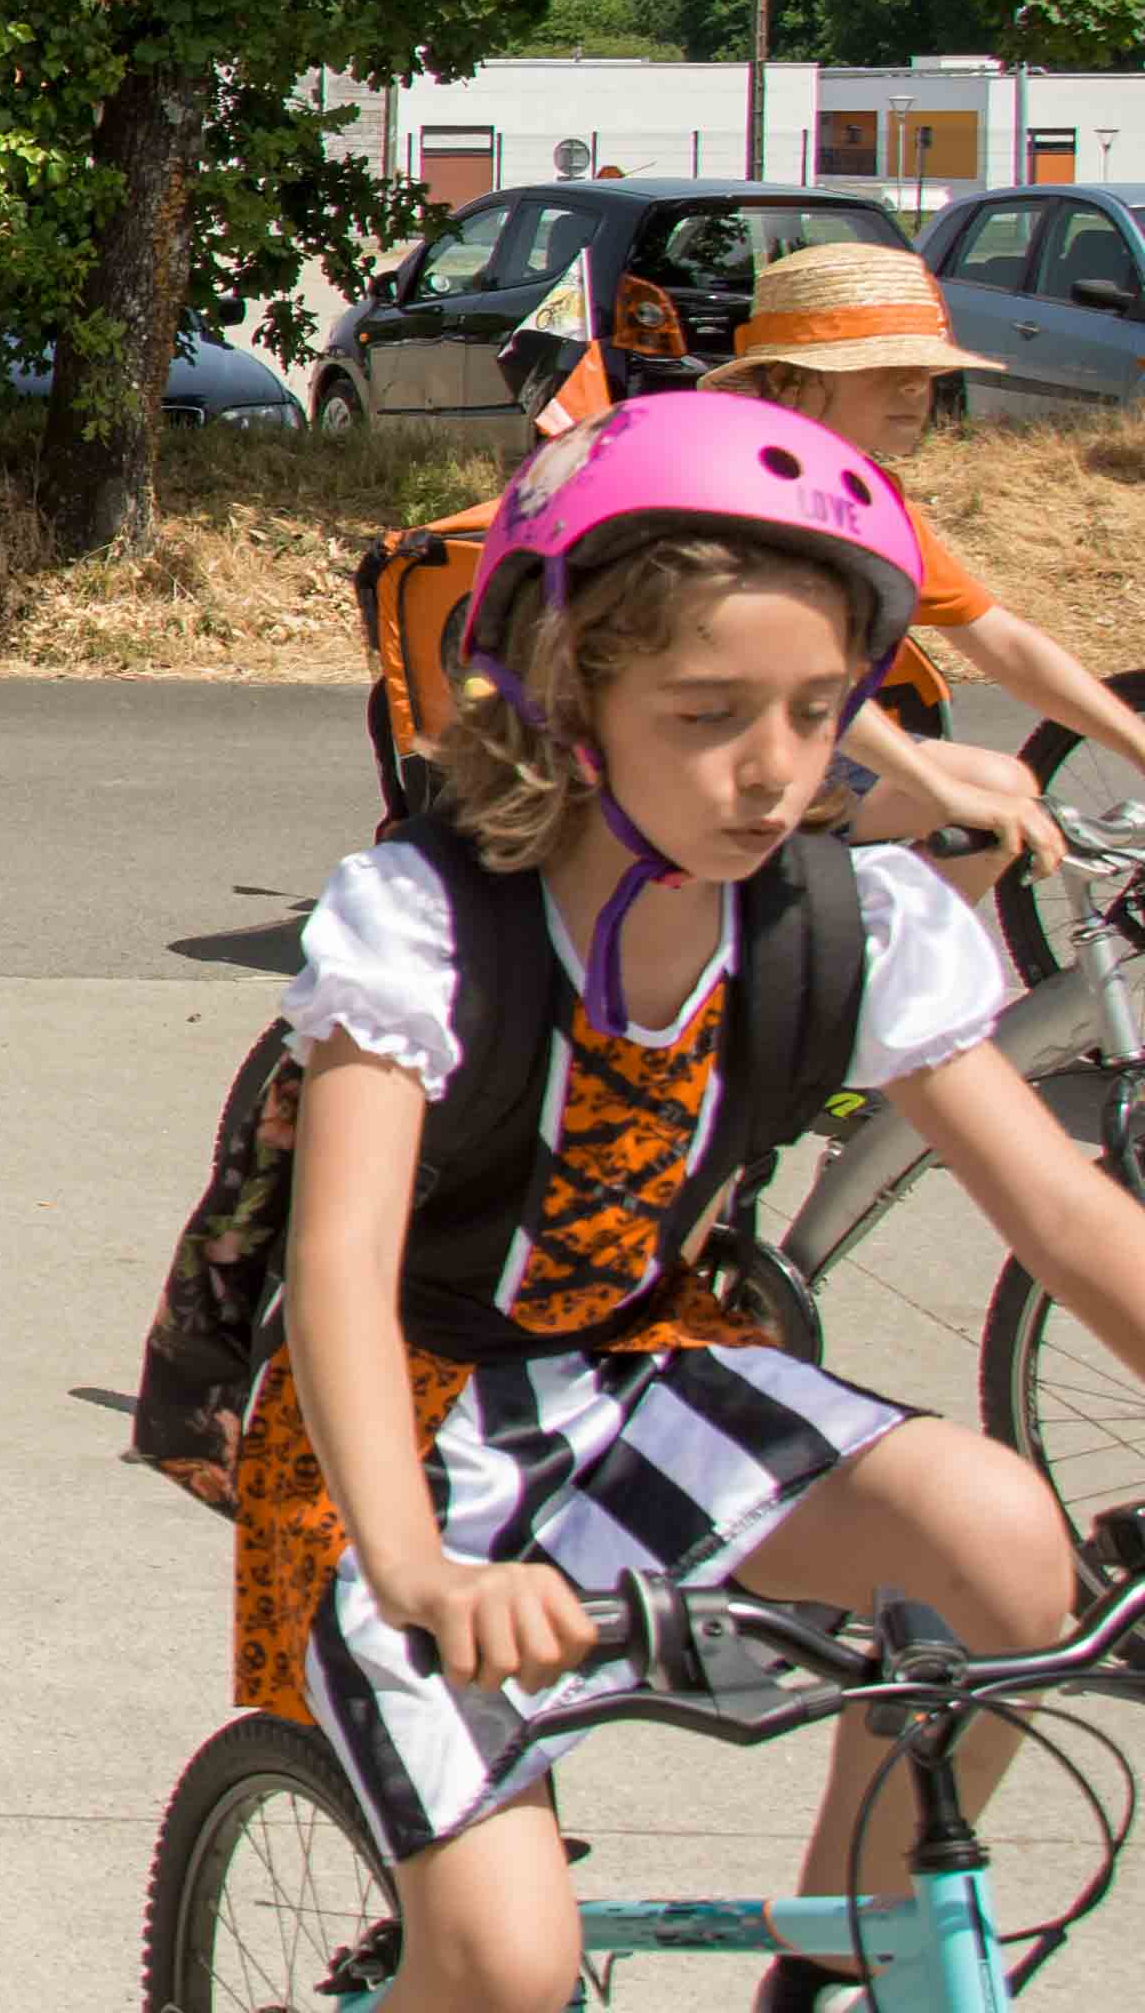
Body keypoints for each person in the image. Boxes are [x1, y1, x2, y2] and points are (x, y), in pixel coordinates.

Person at [240, 391, 1145, 2013]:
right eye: (710, 712)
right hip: (400, 1430)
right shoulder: (425, 928)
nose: (773, 771)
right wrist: (423, 1574)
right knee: (511, 1965)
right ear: (569, 699)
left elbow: (1073, 1225)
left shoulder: (844, 925)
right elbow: (341, 1273)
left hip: (639, 1378)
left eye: (820, 709)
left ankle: (848, 1962)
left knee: (1007, 1543)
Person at [702, 241, 1129, 903]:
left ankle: (869, 982)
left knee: (1001, 790)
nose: (913, 389)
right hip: (696, 757)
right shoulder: (744, 486)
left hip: (787, 740)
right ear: (788, 379)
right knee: (986, 800)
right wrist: (943, 793)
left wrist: (1136, 742)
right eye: (884, 368)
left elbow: (998, 639)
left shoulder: (865, 494)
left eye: (924, 370)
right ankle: (848, 992)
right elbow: (800, 679)